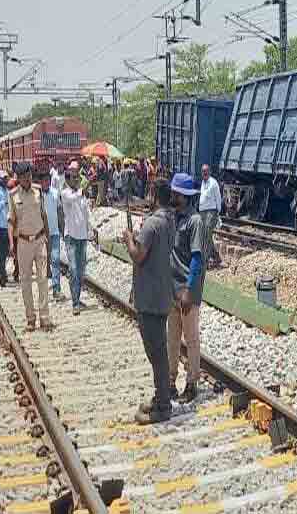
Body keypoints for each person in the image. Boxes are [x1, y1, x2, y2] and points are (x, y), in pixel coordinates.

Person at [121, 180, 176, 424]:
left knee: (156, 353)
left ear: (154, 195)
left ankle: (163, 406)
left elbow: (138, 255)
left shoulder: (152, 223)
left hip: (149, 297)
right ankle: (161, 396)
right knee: (159, 350)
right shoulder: (169, 220)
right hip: (162, 293)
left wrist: (129, 239)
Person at [166, 173, 204, 402]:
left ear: (184, 196)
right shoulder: (174, 217)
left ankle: (192, 383)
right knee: (172, 338)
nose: (172, 195)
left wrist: (189, 290)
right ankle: (170, 381)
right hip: (172, 288)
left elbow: (197, 258)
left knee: (190, 338)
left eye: (175, 193)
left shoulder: (194, 221)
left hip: (186, 290)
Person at [10, 165, 53, 332]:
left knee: (42, 279)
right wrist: (12, 243)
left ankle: (44, 317)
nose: (27, 179)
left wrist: (47, 237)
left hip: (40, 239)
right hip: (23, 242)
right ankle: (30, 318)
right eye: (24, 177)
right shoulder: (13, 196)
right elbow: (11, 221)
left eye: (29, 175)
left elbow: (44, 215)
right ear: (19, 178)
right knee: (25, 281)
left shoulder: (38, 191)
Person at [59, 163, 91, 315]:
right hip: (71, 236)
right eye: (73, 177)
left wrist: (90, 231)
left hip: (82, 236)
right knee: (73, 269)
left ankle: (77, 298)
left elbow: (85, 215)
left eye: (77, 177)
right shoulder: (66, 193)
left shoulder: (80, 195)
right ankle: (75, 302)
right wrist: (82, 190)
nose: (76, 179)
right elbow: (73, 198)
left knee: (80, 270)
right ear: (67, 179)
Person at [42, 170, 64, 303]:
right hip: (42, 234)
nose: (46, 182)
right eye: (43, 180)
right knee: (44, 261)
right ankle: (44, 289)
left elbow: (59, 212)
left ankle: (56, 288)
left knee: (55, 259)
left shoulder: (55, 193)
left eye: (47, 180)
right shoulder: (38, 195)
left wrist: (63, 228)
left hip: (54, 232)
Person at [197, 164, 222, 266]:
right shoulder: (203, 182)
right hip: (203, 211)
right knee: (204, 235)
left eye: (206, 171)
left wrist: (218, 212)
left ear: (209, 172)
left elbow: (218, 197)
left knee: (207, 231)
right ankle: (216, 257)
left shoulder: (213, 183)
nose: (204, 173)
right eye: (203, 171)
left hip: (211, 211)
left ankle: (205, 259)